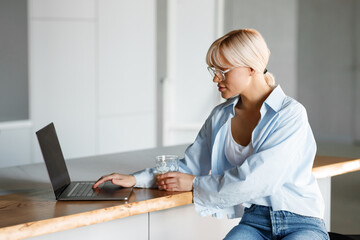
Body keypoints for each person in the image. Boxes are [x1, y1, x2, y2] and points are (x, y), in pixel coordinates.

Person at [93, 29, 329, 240]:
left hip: (301, 222)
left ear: (251, 68)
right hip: (254, 223)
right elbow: (190, 166)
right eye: (213, 70)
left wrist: (195, 185)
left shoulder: (290, 114)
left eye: (223, 71)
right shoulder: (220, 116)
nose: (215, 78)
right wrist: (137, 179)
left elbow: (258, 180)